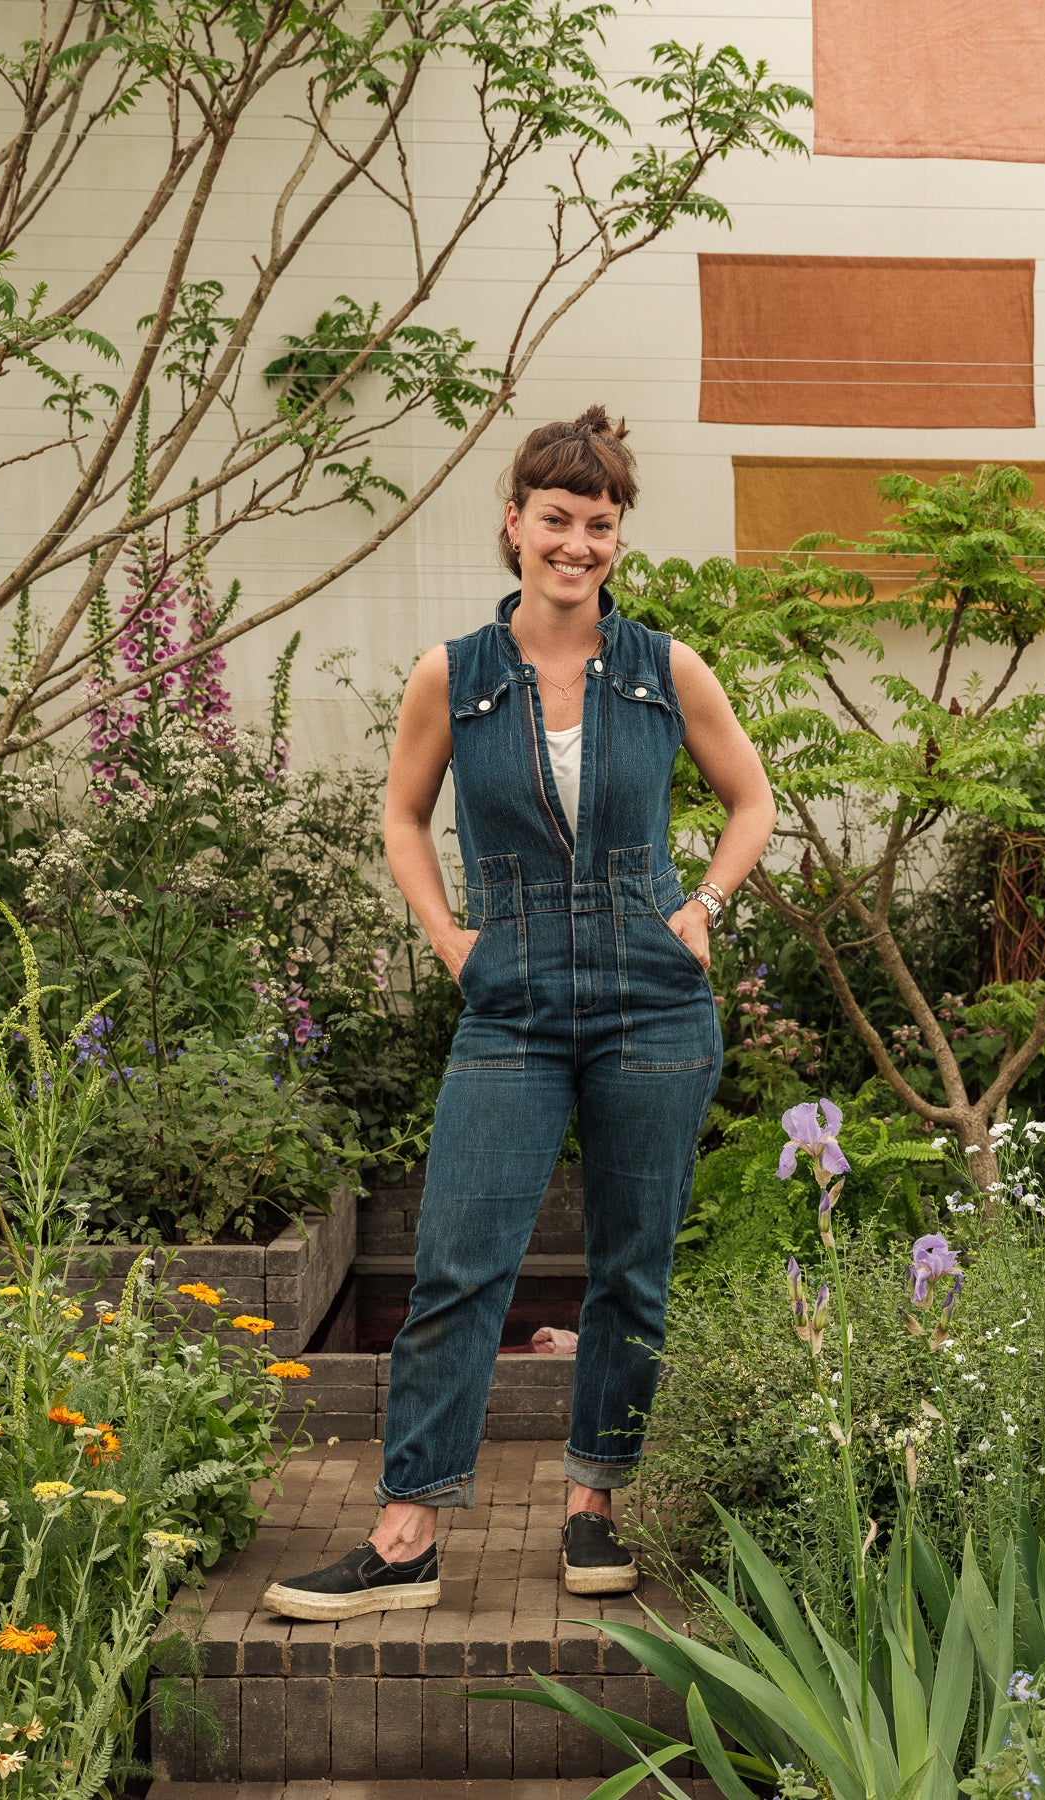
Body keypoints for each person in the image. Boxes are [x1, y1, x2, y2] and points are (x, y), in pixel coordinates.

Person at [261, 407, 775, 1620]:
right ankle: (406, 1534)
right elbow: (402, 814)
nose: (580, 544)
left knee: (629, 1272)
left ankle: (595, 1507)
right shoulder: (457, 673)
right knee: (458, 1263)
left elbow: (751, 801)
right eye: (558, 519)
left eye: (601, 525)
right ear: (515, 523)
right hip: (515, 1002)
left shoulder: (663, 667)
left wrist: (703, 903)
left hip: (654, 1001)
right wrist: (448, 935)